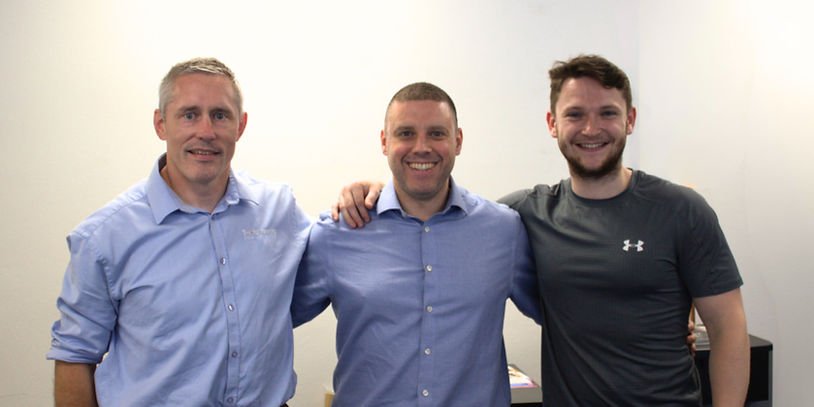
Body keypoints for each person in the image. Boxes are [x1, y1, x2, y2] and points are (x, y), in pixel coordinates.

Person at [335, 55, 749, 405]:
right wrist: (374, 193)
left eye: (607, 112)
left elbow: (728, 329)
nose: (591, 129)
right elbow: (445, 217)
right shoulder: (524, 213)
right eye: (575, 114)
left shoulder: (681, 210)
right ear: (552, 123)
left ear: (630, 120)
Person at [47, 58, 310, 406]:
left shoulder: (279, 211)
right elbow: (75, 356)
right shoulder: (105, 238)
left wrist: (367, 195)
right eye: (189, 114)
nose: (206, 131)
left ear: (240, 125)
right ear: (161, 124)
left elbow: (329, 272)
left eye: (220, 115)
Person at [291, 82, 542, 406]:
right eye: (406, 133)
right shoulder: (339, 232)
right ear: (385, 141)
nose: (421, 147)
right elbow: (267, 319)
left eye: (437, 133)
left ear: (458, 141)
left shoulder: (503, 231)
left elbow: (563, 318)